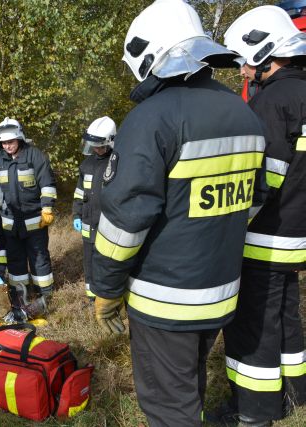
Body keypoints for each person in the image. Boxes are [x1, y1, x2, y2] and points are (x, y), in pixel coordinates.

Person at [90, 1, 265, 426]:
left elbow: (124, 222)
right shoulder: (243, 112)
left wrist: (106, 289)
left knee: (170, 408)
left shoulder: (151, 119)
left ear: (150, 53)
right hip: (221, 291)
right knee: (190, 387)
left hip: (164, 301)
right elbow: (253, 200)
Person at [219, 6, 306, 426]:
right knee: (286, 315)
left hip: (266, 238)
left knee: (254, 324)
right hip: (297, 234)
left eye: (244, 60)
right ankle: (295, 395)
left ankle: (253, 410)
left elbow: (259, 182)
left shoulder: (271, 102)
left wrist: (227, 227)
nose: (242, 70)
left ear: (266, 53)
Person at [0, 117, 57, 313]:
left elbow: (47, 184)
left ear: (19, 138)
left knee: (39, 258)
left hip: (35, 221)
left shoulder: (35, 156)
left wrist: (47, 208)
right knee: (15, 259)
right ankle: (20, 294)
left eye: (11, 141)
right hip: (8, 223)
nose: (7, 146)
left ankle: (45, 294)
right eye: (3, 143)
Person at [72, 116, 116, 302]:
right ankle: (92, 298)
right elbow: (79, 193)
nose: (96, 149)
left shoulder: (116, 163)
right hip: (88, 222)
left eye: (100, 146)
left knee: (106, 261)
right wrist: (77, 215)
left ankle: (107, 297)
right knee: (89, 261)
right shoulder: (87, 164)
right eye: (94, 145)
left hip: (107, 224)